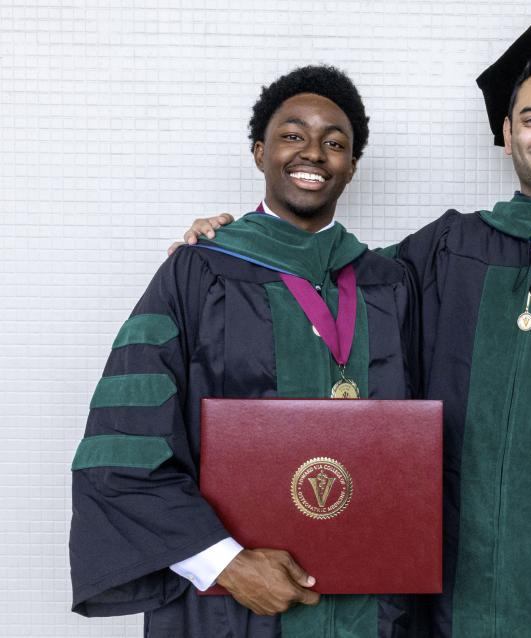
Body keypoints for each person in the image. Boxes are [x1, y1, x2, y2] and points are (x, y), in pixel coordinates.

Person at [181, 21, 531, 637]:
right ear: (507, 136)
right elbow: (333, 286)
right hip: (450, 569)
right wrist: (239, 242)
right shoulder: (449, 248)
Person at [70, 65, 421, 637]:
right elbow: (125, 443)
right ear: (259, 152)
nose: (314, 153)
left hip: (369, 606)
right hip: (230, 609)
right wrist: (225, 565)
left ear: (351, 167)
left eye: (335, 143)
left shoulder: (390, 282)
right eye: (292, 135)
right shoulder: (200, 269)